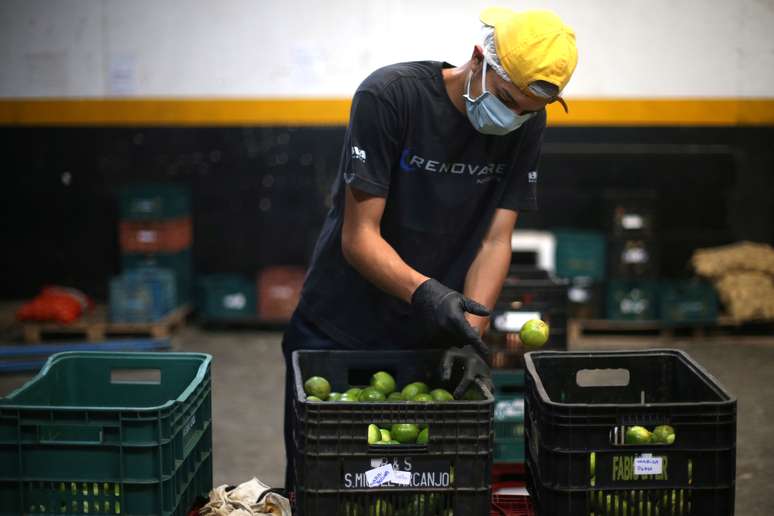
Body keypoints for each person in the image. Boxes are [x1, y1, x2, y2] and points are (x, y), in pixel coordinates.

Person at [281, 6, 578, 494]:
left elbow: (495, 239)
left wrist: (472, 332)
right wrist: (431, 294)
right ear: (479, 57)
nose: (514, 118)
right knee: (330, 487)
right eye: (506, 99)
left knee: (417, 493)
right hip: (340, 330)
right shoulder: (391, 97)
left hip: (430, 339)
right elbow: (359, 238)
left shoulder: (528, 124)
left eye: (528, 110)